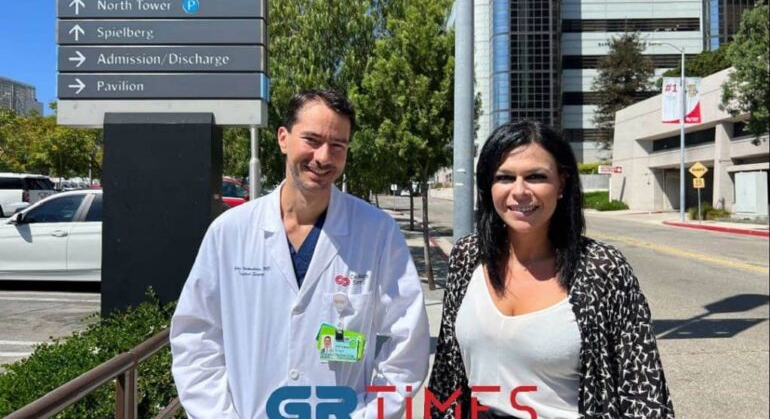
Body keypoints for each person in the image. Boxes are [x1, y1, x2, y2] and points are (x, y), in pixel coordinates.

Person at [171, 89, 430, 418]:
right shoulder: (230, 232)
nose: (323, 157)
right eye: (312, 140)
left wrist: (367, 414)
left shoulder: (377, 233)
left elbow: (407, 342)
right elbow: (196, 336)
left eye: (338, 145)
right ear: (284, 138)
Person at [428, 120, 674, 419]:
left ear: (561, 183)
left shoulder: (603, 269)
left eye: (536, 177)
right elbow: (446, 371)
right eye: (504, 177)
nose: (520, 191)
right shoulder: (467, 256)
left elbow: (644, 392)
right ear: (488, 186)